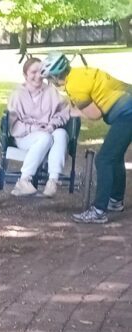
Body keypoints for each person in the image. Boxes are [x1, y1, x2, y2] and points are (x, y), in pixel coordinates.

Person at [40, 52, 131, 223]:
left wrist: (72, 111)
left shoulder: (74, 86)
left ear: (55, 76)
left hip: (127, 113)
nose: (49, 82)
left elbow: (95, 114)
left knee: (103, 160)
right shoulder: (79, 73)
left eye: (49, 79)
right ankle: (116, 201)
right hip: (128, 105)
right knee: (114, 156)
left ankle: (98, 211)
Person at [6, 56, 70, 197]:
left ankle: (53, 180)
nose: (37, 76)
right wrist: (32, 129)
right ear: (25, 75)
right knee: (44, 138)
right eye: (33, 72)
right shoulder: (17, 94)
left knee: (60, 134)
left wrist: (52, 126)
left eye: (40, 72)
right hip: (25, 136)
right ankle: (24, 180)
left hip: (47, 131)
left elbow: (64, 112)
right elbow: (12, 124)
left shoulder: (51, 92)